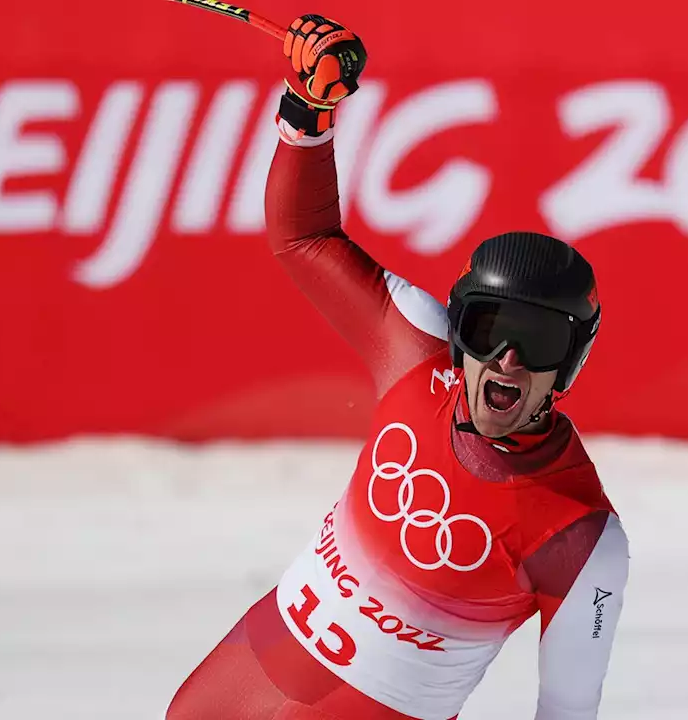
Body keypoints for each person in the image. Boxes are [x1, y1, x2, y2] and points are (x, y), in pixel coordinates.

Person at [166, 13, 630, 720]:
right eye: (490, 329)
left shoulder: (579, 533)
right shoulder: (414, 346)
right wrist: (308, 111)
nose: (507, 358)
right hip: (273, 647)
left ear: (571, 365)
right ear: (458, 329)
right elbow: (303, 238)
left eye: (539, 342)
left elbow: (569, 709)